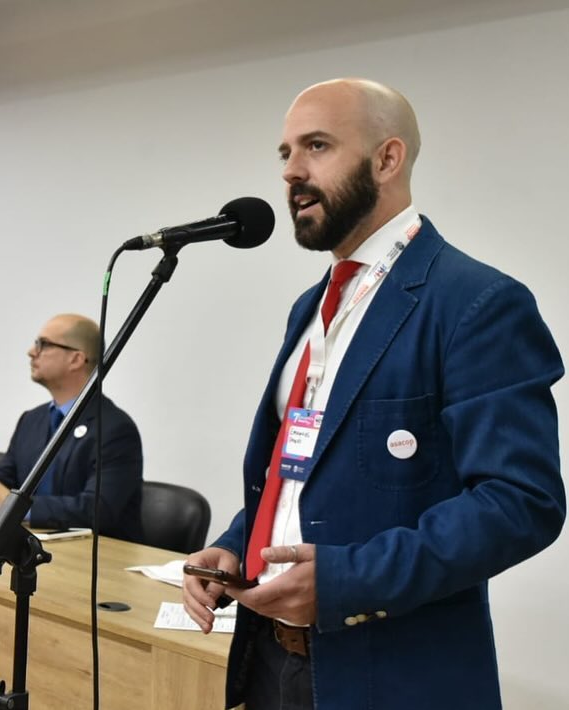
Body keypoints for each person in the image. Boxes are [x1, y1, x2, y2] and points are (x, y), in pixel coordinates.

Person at [181, 78, 564, 709]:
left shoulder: (475, 304)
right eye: (284, 154)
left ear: (387, 159)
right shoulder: (312, 308)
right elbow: (302, 470)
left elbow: (521, 502)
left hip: (391, 676)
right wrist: (235, 543)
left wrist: (344, 581)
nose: (292, 173)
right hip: (271, 662)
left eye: (317, 146)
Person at [0, 314, 143, 542]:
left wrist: (13, 505)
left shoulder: (115, 429)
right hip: (34, 546)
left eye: (43, 344)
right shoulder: (31, 420)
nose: (31, 351)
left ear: (76, 359)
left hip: (95, 559)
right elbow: (5, 479)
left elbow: (97, 510)